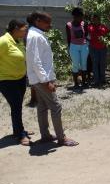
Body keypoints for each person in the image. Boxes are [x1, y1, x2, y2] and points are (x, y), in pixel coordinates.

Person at [26, 11, 78, 147]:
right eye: (47, 22)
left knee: (42, 107)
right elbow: (36, 61)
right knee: (56, 107)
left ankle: (45, 135)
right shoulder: (35, 36)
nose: (50, 25)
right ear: (37, 21)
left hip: (38, 78)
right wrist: (46, 81)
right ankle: (61, 138)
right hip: (41, 79)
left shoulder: (35, 35)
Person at [0, 20, 33, 146]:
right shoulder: (3, 41)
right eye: (24, 29)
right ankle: (20, 134)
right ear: (15, 29)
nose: (26, 31)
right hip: (7, 80)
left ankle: (19, 130)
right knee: (16, 106)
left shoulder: (18, 41)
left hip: (20, 79)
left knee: (17, 106)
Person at [66, 7, 89, 89]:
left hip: (83, 46)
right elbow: (68, 38)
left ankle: (84, 83)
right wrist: (69, 49)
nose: (81, 18)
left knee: (84, 64)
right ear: (74, 16)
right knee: (75, 65)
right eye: (80, 16)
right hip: (73, 46)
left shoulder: (84, 23)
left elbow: (86, 35)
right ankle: (76, 83)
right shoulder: (69, 25)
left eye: (82, 17)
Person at [87, 14, 110, 87]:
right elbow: (87, 37)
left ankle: (102, 79)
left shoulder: (103, 27)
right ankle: (96, 80)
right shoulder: (89, 27)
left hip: (103, 48)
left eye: (96, 18)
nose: (95, 20)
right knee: (95, 64)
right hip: (93, 48)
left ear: (99, 19)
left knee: (102, 63)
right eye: (93, 19)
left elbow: (108, 35)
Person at [26, 13, 37, 107]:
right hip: (33, 57)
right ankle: (34, 99)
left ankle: (34, 98)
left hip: (29, 57)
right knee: (34, 79)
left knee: (33, 78)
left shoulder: (27, 30)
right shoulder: (32, 31)